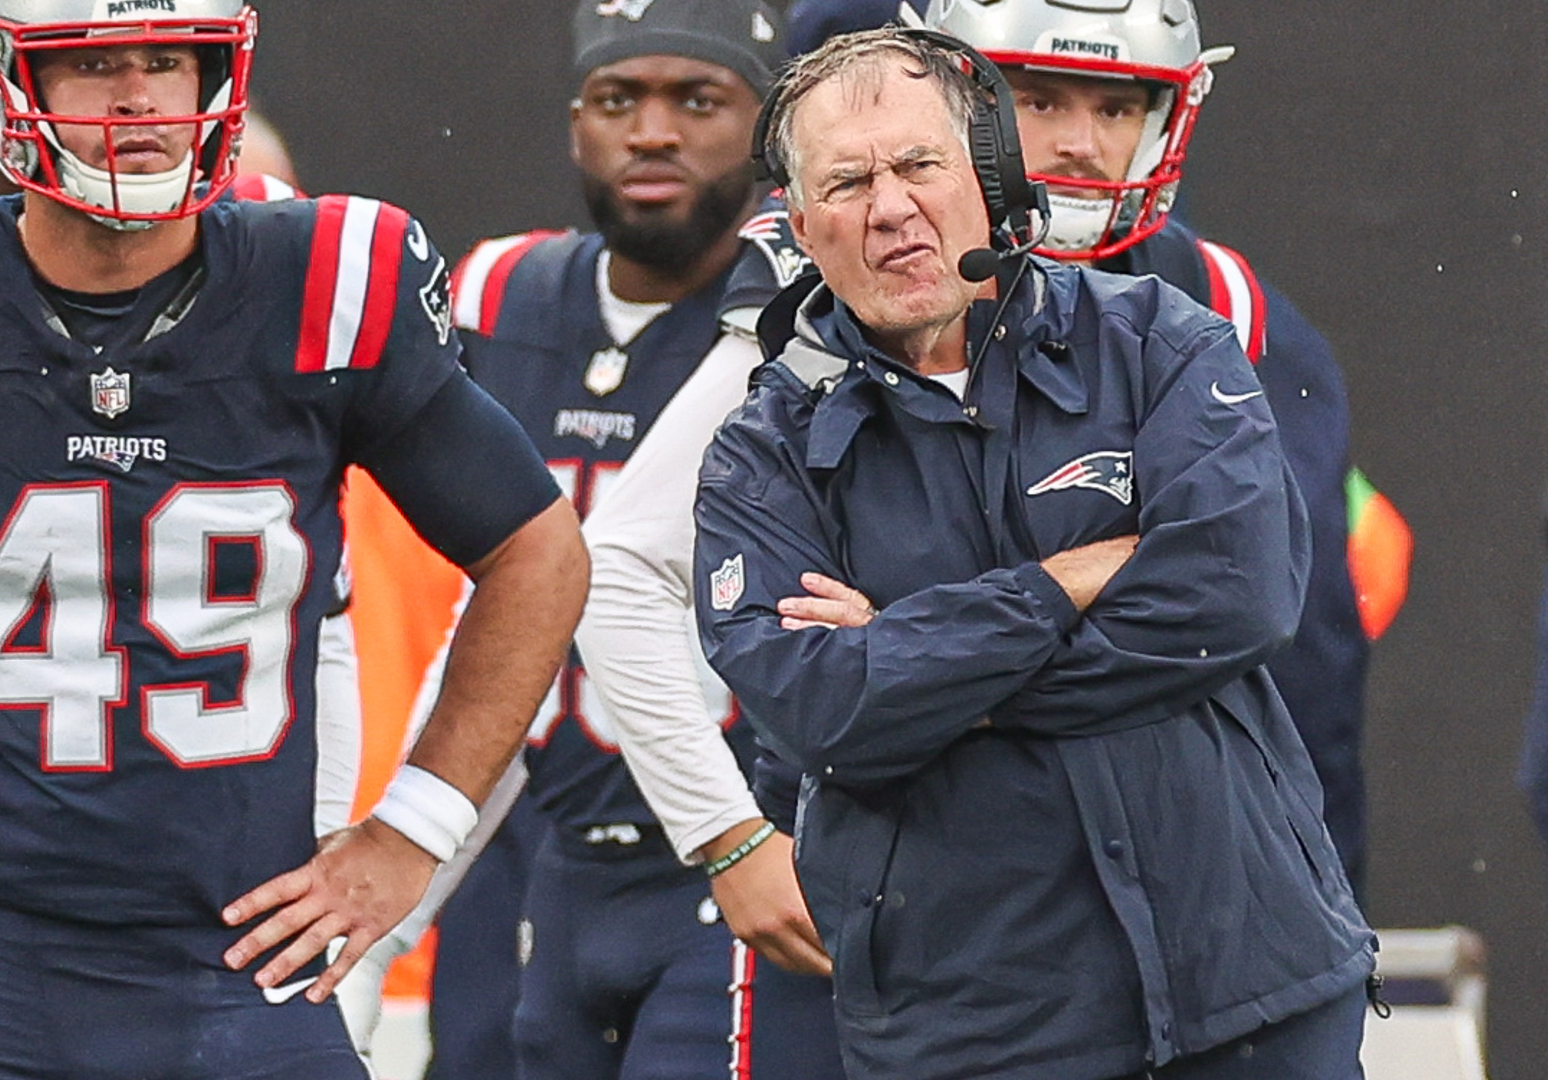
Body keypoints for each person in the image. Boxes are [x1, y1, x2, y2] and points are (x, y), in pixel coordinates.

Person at [693, 27, 1375, 1080]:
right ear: (799, 222)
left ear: (991, 179)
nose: (890, 208)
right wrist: (1072, 578)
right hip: (980, 1035)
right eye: (847, 182)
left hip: (1256, 996)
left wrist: (922, 666)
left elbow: (1237, 598)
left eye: (921, 165)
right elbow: (828, 710)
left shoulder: (1164, 340)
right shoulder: (760, 456)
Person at [0, 3, 589, 1079]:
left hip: (233, 959)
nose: (137, 99)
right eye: (93, 67)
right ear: (18, 80)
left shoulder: (316, 277)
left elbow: (539, 552)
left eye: (168, 63)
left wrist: (414, 828)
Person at [921, 0, 1394, 901]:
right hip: (930, 846)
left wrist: (1318, 888)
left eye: (1114, 107)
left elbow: (1288, 637)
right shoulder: (846, 288)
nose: (1080, 144)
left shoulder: (1229, 304)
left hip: (1173, 837)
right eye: (1040, 100)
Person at [409, 2, 798, 1077]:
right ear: (577, 120)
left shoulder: (802, 317)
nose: (654, 132)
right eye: (620, 99)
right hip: (536, 842)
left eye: (699, 99)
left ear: (767, 128)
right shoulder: (497, 291)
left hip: (735, 844)